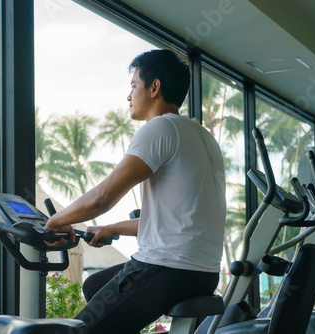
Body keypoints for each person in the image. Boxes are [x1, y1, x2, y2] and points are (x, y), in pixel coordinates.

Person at [44, 49, 226, 334]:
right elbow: (178, 224)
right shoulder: (203, 137)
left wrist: (55, 222)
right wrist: (111, 227)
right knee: (95, 286)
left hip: (166, 269)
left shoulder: (160, 128)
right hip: (203, 274)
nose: (128, 96)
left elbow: (101, 197)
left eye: (133, 86)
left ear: (155, 88)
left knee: (76, 331)